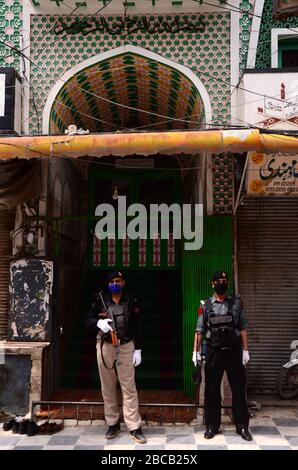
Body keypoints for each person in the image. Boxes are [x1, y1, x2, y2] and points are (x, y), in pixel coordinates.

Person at [87, 270, 147, 444]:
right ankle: (112, 423)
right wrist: (98, 323)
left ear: (123, 282)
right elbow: (87, 320)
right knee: (108, 387)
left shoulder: (131, 300)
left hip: (126, 346)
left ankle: (134, 426)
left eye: (118, 280)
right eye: (112, 281)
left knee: (129, 387)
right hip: (105, 346)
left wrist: (139, 349)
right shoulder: (100, 300)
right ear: (108, 284)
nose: (115, 283)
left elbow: (138, 326)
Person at [192, 271, 252, 441]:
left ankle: (242, 426)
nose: (222, 283)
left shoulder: (236, 303)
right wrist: (195, 351)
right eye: (219, 280)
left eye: (225, 280)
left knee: (238, 389)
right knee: (211, 390)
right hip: (214, 352)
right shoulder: (205, 305)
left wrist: (246, 350)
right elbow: (199, 330)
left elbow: (242, 328)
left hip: (233, 351)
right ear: (212, 284)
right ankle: (212, 426)